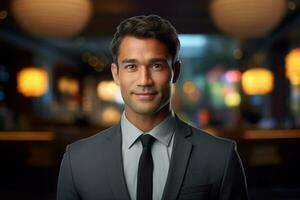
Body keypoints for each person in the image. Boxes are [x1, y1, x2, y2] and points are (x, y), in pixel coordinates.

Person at [57, 15, 248, 200]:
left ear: (176, 72)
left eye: (156, 66)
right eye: (132, 67)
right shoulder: (77, 160)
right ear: (116, 74)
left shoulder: (221, 157)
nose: (144, 81)